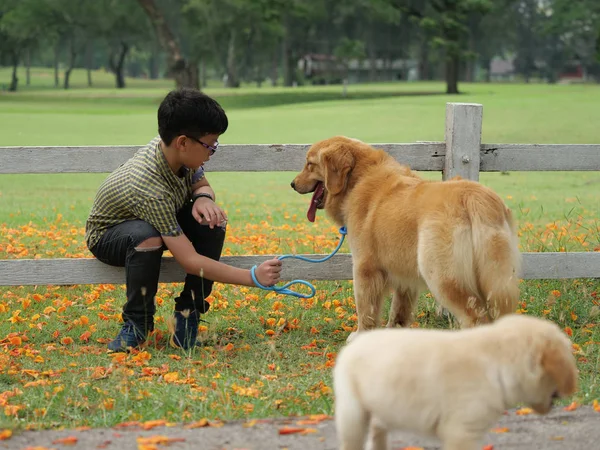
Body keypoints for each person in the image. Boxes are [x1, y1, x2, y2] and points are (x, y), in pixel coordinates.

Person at [85, 88, 282, 352]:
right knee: (146, 236)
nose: (212, 152)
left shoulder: (177, 152)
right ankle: (137, 324)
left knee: (210, 220)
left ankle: (188, 315)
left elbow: (201, 182)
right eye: (210, 145)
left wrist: (203, 198)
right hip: (111, 235)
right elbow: (189, 261)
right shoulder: (148, 186)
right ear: (183, 142)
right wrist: (252, 277)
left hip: (156, 221)